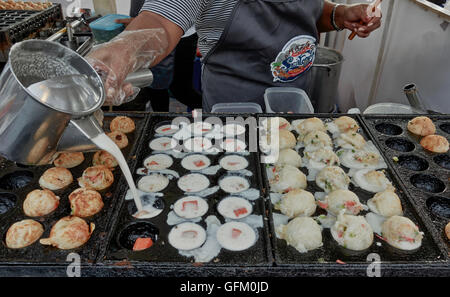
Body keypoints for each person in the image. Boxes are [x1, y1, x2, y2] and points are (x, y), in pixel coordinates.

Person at [87, 0, 382, 111]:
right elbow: (162, 21)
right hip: (235, 117)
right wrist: (123, 50)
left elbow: (312, 11)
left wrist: (339, 15)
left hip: (292, 107)